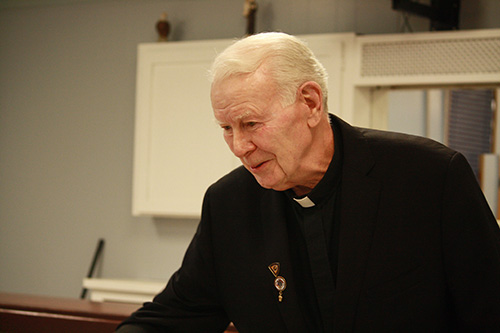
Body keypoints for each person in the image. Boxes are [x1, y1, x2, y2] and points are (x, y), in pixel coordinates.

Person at [117, 32, 500, 332]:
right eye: (226, 128)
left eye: (250, 124)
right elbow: (177, 315)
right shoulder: (229, 204)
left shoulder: (429, 177)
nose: (239, 146)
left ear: (311, 103)